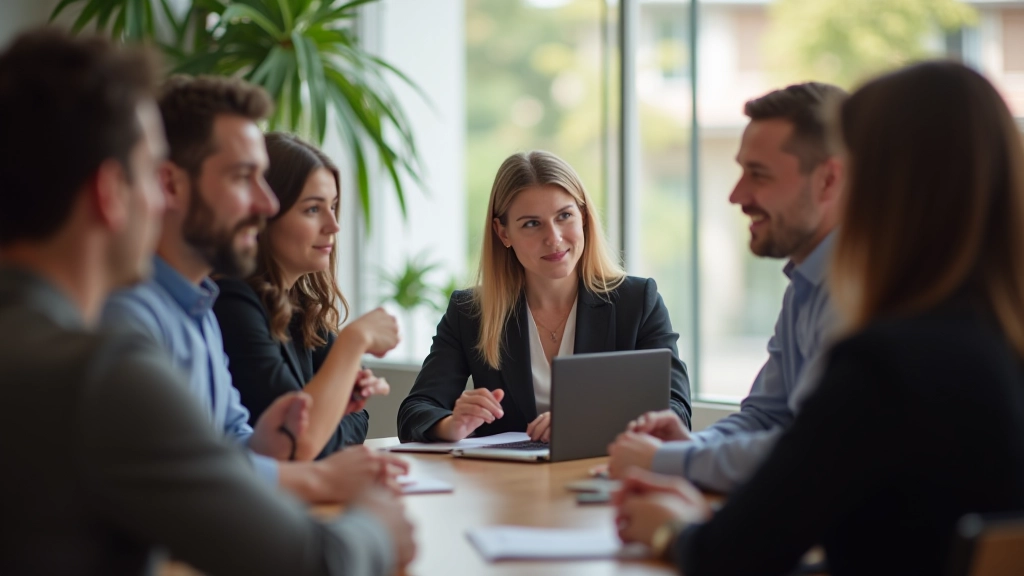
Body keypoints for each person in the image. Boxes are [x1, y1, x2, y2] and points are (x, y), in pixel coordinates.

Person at [0, 28, 414, 575]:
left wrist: (261, 448)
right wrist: (378, 525)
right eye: (150, 175)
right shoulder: (102, 368)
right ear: (111, 192)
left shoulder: (173, 317)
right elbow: (315, 563)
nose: (266, 205)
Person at [614, 61, 1024, 576]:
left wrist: (678, 531)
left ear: (882, 187)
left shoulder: (887, 364)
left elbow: (734, 556)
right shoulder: (994, 339)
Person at [102, 74, 406, 503]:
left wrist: (270, 444)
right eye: (243, 178)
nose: (265, 205)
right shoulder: (128, 317)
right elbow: (186, 478)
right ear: (169, 185)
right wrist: (316, 476)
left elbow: (234, 443)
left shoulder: (200, 308)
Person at [607, 83, 846, 492]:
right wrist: (696, 444)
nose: (737, 195)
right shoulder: (804, 284)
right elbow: (765, 416)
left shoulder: (866, 294)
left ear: (827, 180)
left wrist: (668, 461)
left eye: (758, 174)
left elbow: (812, 449)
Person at [398, 150, 692, 443]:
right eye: (531, 223)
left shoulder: (638, 302)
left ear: (584, 218)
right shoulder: (470, 312)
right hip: (505, 484)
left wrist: (585, 423)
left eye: (564, 216)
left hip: (606, 480)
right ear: (503, 233)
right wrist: (452, 424)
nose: (553, 238)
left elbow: (676, 412)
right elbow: (415, 411)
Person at [214, 132, 398, 459]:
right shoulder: (232, 306)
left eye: (334, 207)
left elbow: (358, 418)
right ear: (264, 213)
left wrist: (334, 407)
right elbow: (301, 442)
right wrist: (355, 339)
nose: (333, 225)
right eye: (313, 209)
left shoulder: (301, 311)